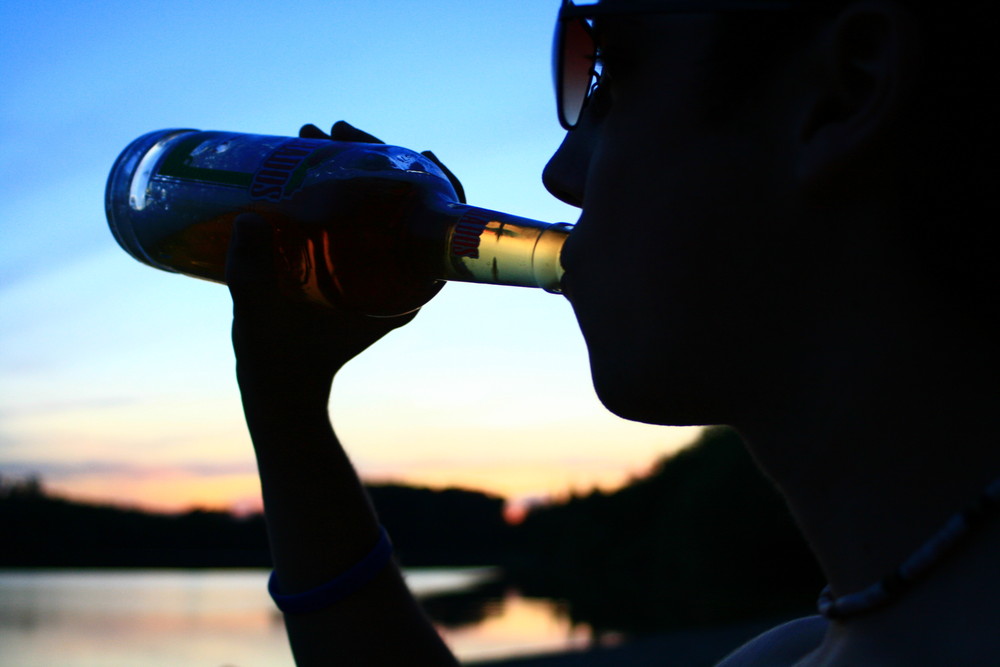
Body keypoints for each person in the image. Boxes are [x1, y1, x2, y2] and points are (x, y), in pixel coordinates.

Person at [226, 0, 999, 664]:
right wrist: (287, 404)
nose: (559, 175)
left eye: (615, 74)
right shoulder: (806, 647)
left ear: (844, 90)